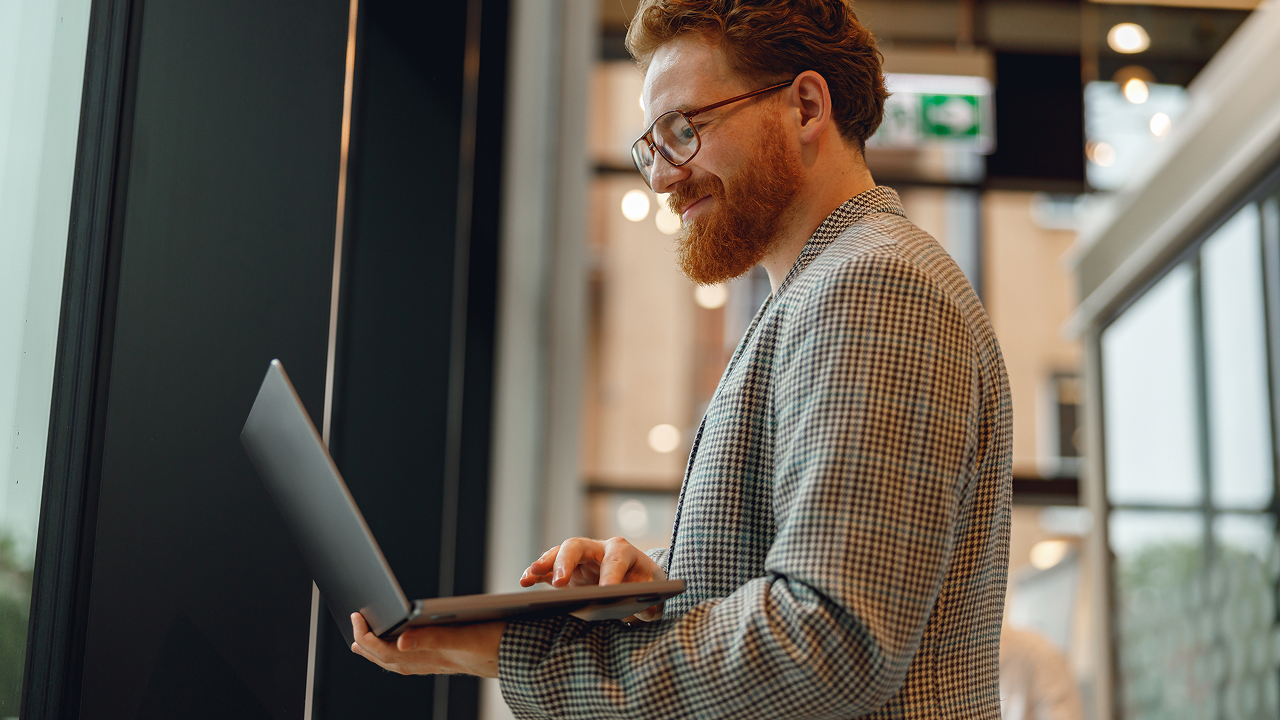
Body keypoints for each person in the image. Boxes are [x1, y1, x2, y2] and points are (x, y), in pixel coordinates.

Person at [349, 1, 1013, 717]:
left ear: (806, 106)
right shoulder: (821, 291)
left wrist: (532, 655)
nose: (663, 178)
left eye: (684, 131)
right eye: (653, 147)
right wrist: (660, 589)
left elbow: (827, 645)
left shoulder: (872, 285)